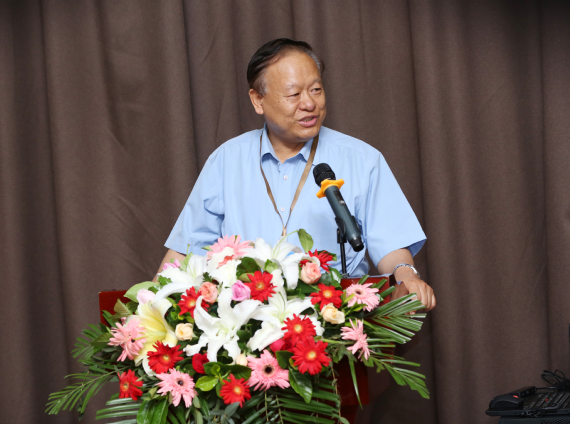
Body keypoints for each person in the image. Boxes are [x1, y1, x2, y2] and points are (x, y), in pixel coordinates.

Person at [155, 38, 435, 311]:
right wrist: (146, 309)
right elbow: (185, 251)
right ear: (258, 100)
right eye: (293, 94)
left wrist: (406, 275)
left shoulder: (362, 160)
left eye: (316, 90)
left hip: (334, 319)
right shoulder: (226, 160)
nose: (309, 104)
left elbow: (391, 245)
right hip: (245, 323)